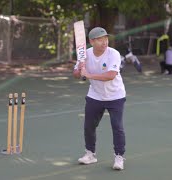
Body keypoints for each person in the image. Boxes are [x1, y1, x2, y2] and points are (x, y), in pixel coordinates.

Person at [73, 27, 126, 170]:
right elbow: (76, 74)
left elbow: (110, 75)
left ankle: (119, 157)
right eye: (100, 39)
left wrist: (88, 75)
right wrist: (79, 70)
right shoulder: (85, 55)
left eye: (106, 38)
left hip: (116, 95)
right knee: (89, 126)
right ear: (91, 42)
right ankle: (90, 154)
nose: (104, 42)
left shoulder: (113, 53)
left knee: (117, 126)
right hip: (95, 95)